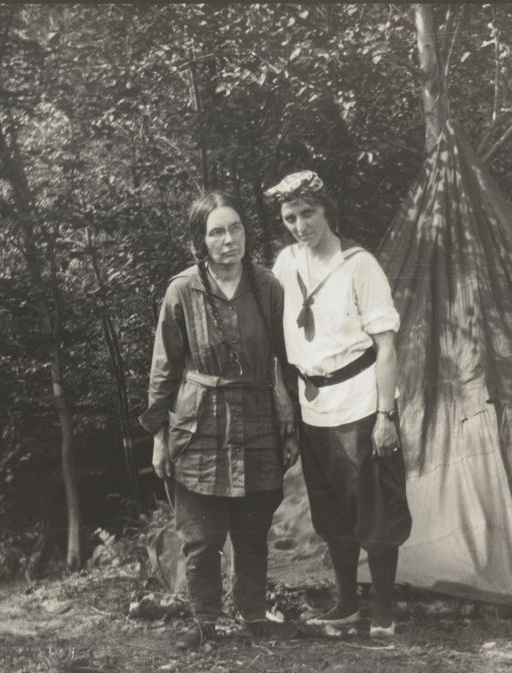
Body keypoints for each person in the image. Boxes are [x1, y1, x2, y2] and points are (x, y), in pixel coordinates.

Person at [139, 191, 299, 650]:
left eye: (236, 229)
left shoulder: (268, 288)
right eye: (216, 232)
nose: (229, 240)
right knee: (201, 537)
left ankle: (252, 614)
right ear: (200, 241)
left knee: (252, 531)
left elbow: (284, 364)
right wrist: (158, 438)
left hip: (257, 421)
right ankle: (206, 619)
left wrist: (290, 428)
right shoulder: (181, 291)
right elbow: (163, 369)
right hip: (198, 425)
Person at [265, 170, 412, 639]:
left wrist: (385, 414)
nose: (300, 224)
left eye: (308, 213)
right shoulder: (285, 264)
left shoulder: (359, 265)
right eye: (290, 217)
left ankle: (384, 611)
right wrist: (283, 398)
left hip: (361, 400)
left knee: (374, 508)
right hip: (313, 405)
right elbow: (275, 338)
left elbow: (386, 346)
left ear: (327, 211)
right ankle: (347, 603)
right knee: (331, 510)